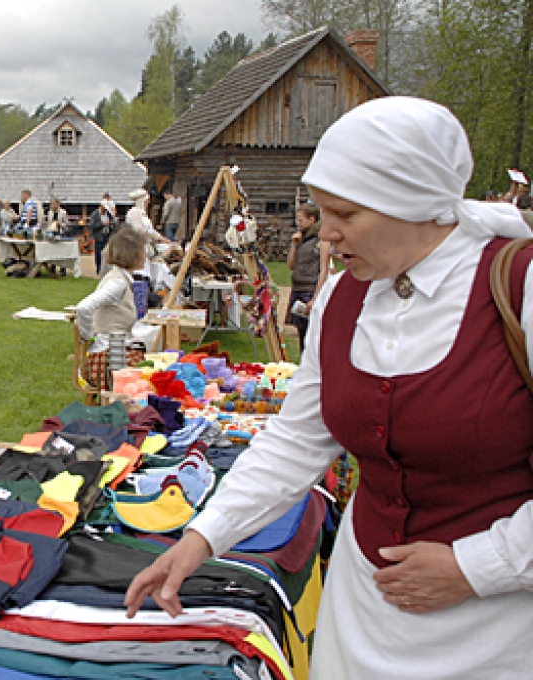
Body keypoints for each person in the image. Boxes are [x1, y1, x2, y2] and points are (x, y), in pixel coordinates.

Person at [124, 96, 533, 679]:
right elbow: (296, 442)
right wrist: (200, 540)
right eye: (322, 213)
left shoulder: (518, 288)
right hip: (364, 611)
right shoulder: (345, 297)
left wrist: (476, 566)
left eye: (345, 215)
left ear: (411, 204)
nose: (328, 236)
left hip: (501, 625)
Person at [75, 226, 149, 389]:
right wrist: (87, 337)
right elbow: (84, 308)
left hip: (114, 350)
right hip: (109, 359)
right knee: (151, 377)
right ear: (132, 253)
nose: (146, 254)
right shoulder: (118, 283)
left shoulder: (120, 278)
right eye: (143, 250)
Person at [286, 203, 331, 353]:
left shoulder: (321, 239)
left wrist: (316, 298)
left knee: (312, 332)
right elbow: (290, 265)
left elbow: (324, 270)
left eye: (301, 220)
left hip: (310, 289)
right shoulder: (301, 239)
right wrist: (294, 245)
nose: (298, 223)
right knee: (300, 330)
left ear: (312, 219)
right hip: (297, 288)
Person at [88, 202, 113, 274]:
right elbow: (92, 225)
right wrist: (102, 224)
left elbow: (112, 221)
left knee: (107, 253)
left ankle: (106, 269)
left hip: (107, 235)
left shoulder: (108, 214)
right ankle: (99, 268)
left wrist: (110, 224)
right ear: (101, 206)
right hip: (99, 236)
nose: (105, 210)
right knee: (98, 253)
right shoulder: (95, 214)